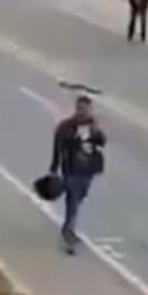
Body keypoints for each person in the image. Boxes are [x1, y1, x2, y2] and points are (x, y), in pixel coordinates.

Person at [48, 95, 106, 254]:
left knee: (79, 198)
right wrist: (54, 169)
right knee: (72, 201)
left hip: (88, 170)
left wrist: (96, 131)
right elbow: (58, 148)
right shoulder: (66, 127)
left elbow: (102, 142)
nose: (83, 112)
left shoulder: (93, 127)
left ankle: (68, 227)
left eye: (86, 109)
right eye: (80, 109)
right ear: (76, 108)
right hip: (72, 170)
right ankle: (69, 235)